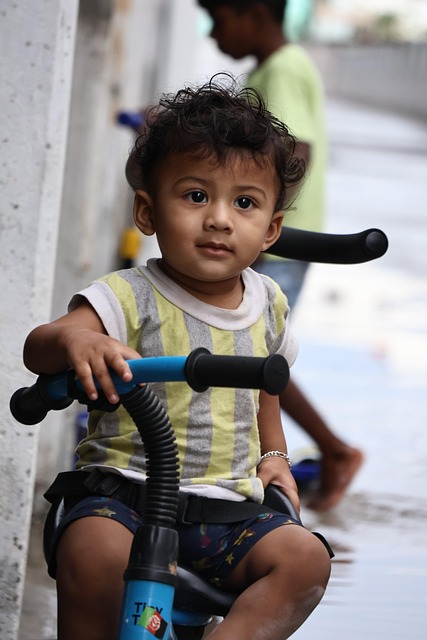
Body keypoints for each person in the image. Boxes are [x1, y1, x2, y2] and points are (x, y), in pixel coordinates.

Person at [23, 78, 332, 640]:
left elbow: (265, 393)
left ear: (271, 229)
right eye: (195, 196)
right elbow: (41, 344)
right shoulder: (127, 296)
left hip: (226, 511)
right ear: (147, 211)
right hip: (123, 497)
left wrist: (274, 456)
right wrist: (77, 342)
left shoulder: (269, 304)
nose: (219, 219)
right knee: (93, 553)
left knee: (306, 561)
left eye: (244, 203)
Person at [198, 0, 364, 511]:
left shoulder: (283, 68)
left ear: (251, 12)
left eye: (218, 19)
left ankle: (334, 451)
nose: (212, 33)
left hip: (279, 243)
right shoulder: (272, 68)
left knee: (258, 351)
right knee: (249, 349)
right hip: (272, 236)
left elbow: (296, 151)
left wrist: (253, 228)